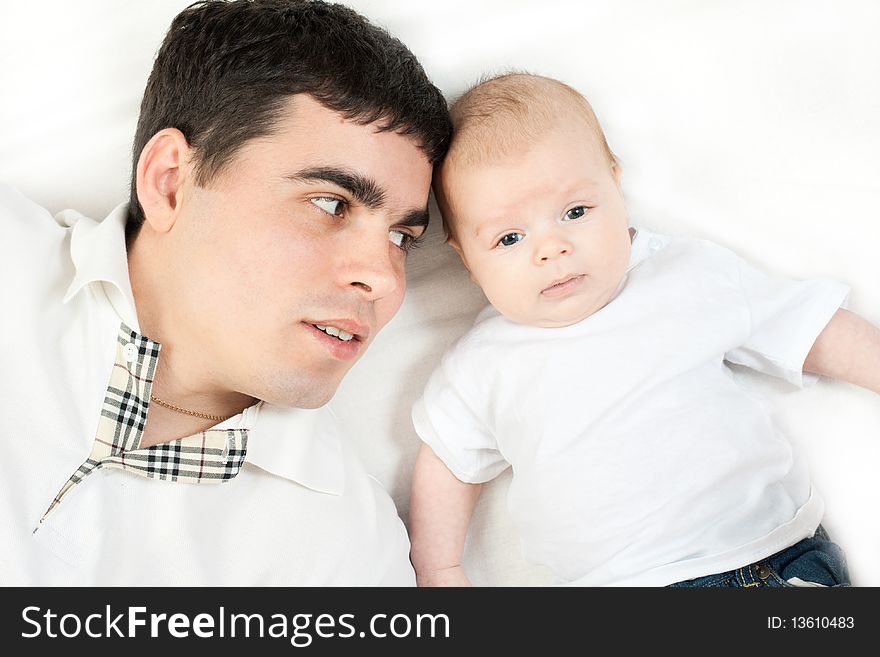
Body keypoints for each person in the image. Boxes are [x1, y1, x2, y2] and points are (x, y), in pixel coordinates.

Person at [0, 0, 450, 585]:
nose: (385, 279)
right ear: (170, 182)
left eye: (402, 237)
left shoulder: (349, 556)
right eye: (331, 203)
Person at [409, 73, 880, 587]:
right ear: (467, 260)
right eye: (509, 238)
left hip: (766, 558)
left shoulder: (686, 276)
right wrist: (440, 569)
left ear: (616, 186)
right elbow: (447, 464)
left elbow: (814, 331)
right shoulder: (480, 365)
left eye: (575, 211)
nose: (552, 248)